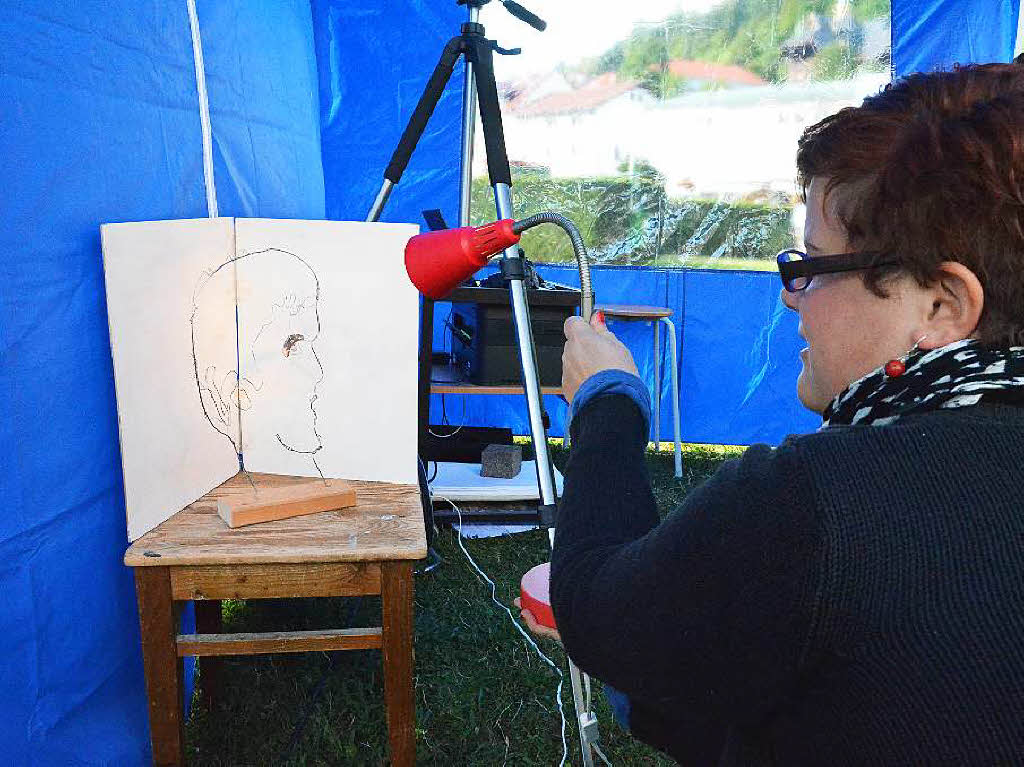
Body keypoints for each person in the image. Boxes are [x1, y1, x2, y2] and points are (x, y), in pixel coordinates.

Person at [517, 63, 1024, 763]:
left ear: (941, 306)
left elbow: (597, 610)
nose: (794, 296)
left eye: (815, 264)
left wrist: (608, 402)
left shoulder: (816, 505)